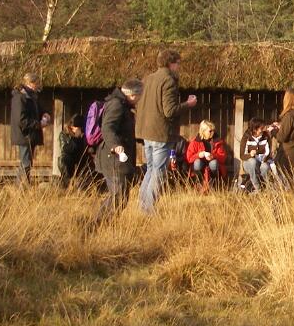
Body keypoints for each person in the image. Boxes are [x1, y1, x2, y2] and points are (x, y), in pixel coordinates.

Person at [135, 49, 198, 214]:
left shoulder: (147, 79)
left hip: (146, 132)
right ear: (171, 63)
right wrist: (188, 104)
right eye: (178, 63)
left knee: (150, 169)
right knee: (159, 171)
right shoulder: (168, 81)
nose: (179, 67)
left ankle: (142, 205)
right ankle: (148, 209)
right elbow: (169, 111)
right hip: (160, 134)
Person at [94, 79, 143, 223]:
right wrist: (115, 145)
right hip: (113, 158)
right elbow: (107, 127)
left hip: (118, 157)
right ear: (133, 95)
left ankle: (105, 222)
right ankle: (98, 223)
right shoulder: (117, 105)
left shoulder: (123, 105)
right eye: (139, 97)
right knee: (119, 194)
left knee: (121, 195)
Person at [10, 72, 50, 185]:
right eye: (37, 83)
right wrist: (39, 124)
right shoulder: (20, 97)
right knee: (26, 163)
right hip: (24, 135)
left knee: (27, 162)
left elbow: (37, 110)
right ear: (30, 83)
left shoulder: (32, 96)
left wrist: (45, 114)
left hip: (30, 135)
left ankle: (21, 187)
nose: (38, 86)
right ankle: (21, 189)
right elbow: (21, 120)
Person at [185, 120, 228, 190]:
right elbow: (189, 158)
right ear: (203, 131)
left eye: (213, 130)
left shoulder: (217, 141)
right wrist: (199, 155)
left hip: (212, 163)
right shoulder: (195, 142)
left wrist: (213, 156)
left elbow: (223, 157)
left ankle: (214, 184)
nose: (212, 133)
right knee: (197, 163)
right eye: (210, 131)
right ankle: (198, 183)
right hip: (200, 164)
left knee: (214, 163)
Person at [58, 113, 97, 190]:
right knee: (63, 159)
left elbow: (90, 148)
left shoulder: (85, 135)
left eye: (76, 127)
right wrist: (75, 138)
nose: (74, 129)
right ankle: (66, 185)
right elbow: (65, 149)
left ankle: (85, 186)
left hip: (81, 159)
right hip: (69, 160)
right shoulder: (64, 134)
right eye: (73, 127)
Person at [240, 118, 278, 191]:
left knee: (265, 167)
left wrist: (265, 159)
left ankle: (266, 187)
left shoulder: (266, 136)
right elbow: (242, 156)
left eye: (263, 127)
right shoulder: (246, 137)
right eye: (261, 128)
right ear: (255, 129)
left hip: (262, 161)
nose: (263, 129)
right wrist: (250, 155)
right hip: (248, 163)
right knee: (252, 161)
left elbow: (268, 153)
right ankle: (257, 187)